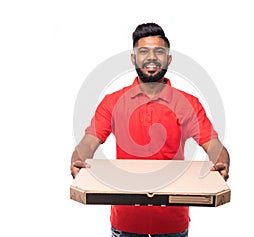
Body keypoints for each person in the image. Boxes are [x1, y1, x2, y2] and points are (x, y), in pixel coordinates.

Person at [70, 23, 230, 237]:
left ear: (169, 59)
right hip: (125, 223)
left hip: (173, 225)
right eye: (143, 51)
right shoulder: (113, 102)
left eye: (159, 51)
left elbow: (213, 145)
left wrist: (222, 162)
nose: (151, 57)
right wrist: (77, 158)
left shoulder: (187, 103)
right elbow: (89, 142)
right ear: (133, 58)